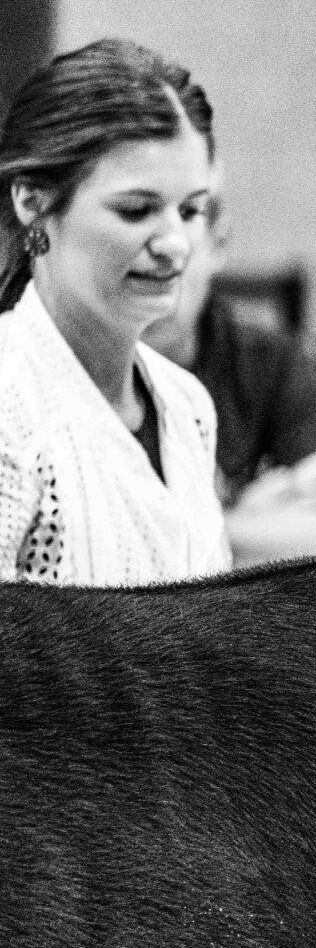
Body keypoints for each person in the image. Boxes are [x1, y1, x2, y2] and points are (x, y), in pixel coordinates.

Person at [0, 38, 229, 586]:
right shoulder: (9, 405)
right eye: (137, 210)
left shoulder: (186, 406)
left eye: (192, 210)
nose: (175, 243)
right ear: (33, 202)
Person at [143, 192, 316, 565]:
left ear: (218, 243)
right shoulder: (74, 371)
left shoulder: (266, 361)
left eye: (178, 263)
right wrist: (256, 513)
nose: (160, 283)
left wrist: (198, 530)